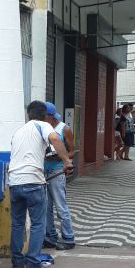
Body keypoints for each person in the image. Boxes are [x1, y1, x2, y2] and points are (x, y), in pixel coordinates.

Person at [8, 100, 73, 268]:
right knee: (38, 223)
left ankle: (17, 261)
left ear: (28, 114)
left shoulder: (19, 131)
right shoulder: (43, 125)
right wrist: (66, 161)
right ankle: (33, 264)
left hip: (14, 182)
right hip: (33, 182)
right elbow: (55, 139)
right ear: (44, 115)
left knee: (17, 224)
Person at [42, 102, 76, 251]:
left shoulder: (64, 129)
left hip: (57, 171)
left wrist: (62, 157)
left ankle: (68, 237)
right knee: (46, 207)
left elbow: (72, 151)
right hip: (43, 171)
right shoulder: (44, 128)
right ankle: (50, 236)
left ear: (50, 116)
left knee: (61, 206)